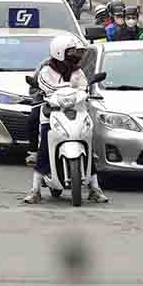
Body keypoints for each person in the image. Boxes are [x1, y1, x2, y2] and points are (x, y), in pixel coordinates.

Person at [23, 34, 108, 205]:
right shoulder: (46, 69)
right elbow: (47, 87)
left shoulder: (77, 70)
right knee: (44, 143)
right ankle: (35, 189)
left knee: (88, 139)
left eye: (77, 53)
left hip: (76, 111)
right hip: (52, 111)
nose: (76, 56)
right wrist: (70, 88)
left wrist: (84, 91)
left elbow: (83, 86)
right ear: (60, 52)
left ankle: (95, 188)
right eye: (72, 52)